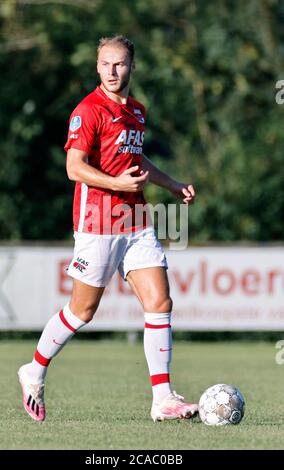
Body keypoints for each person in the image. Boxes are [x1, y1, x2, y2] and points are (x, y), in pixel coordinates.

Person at [18, 35, 197, 423]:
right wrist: (118, 185)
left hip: (135, 221)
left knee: (160, 303)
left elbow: (137, 162)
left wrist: (172, 184)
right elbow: (74, 167)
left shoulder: (137, 111)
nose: (112, 71)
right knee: (82, 311)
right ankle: (33, 369)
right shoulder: (88, 110)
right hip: (97, 222)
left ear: (132, 66)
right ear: (97, 67)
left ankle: (163, 398)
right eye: (105, 64)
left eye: (119, 64)